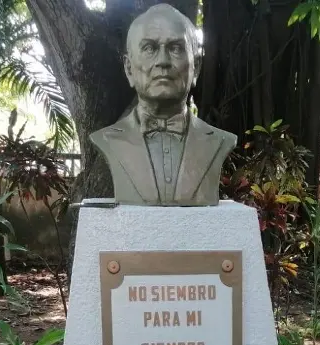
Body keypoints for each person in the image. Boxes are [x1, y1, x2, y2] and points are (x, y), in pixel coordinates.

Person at [90, 4, 235, 207]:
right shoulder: (108, 139)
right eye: (149, 48)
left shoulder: (220, 141)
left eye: (176, 48)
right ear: (129, 69)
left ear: (197, 68)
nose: (163, 61)